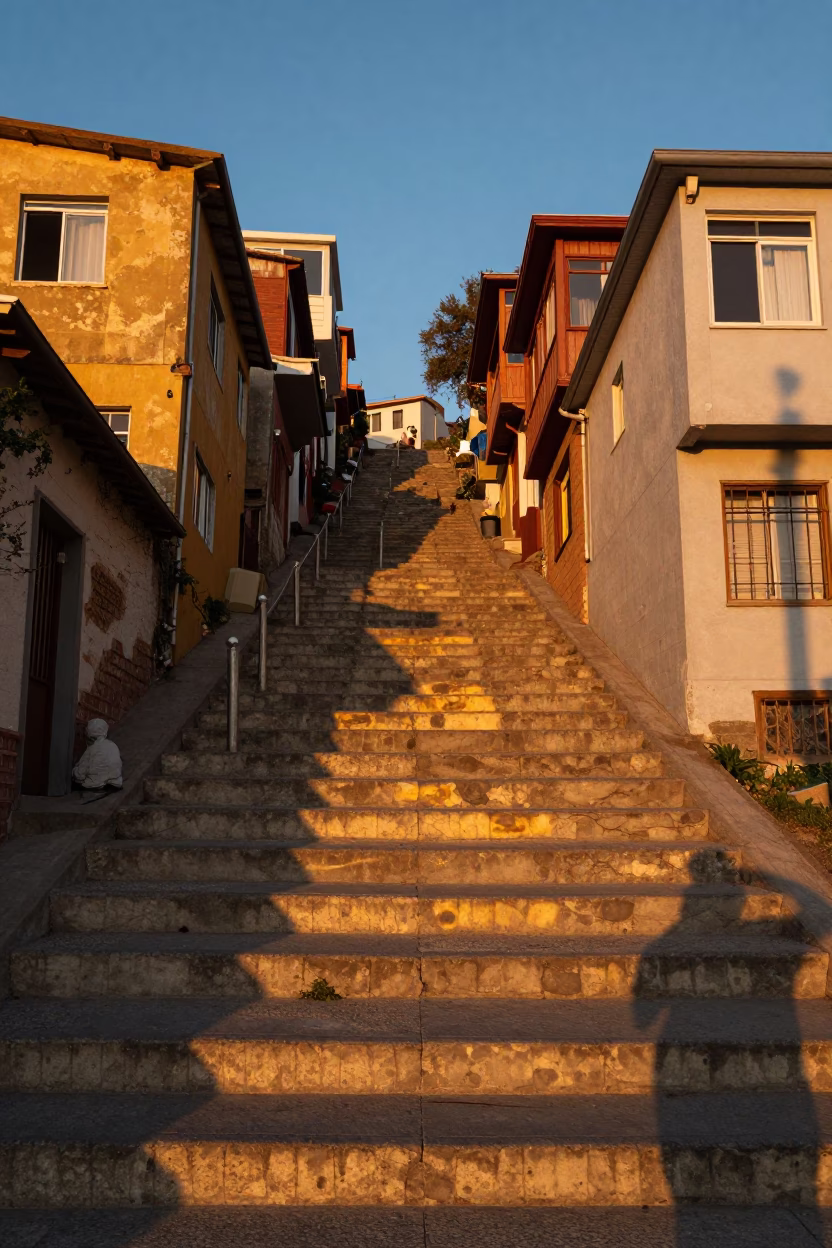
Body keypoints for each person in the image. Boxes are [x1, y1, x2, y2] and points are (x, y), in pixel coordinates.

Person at [72, 718, 123, 800]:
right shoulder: (113, 745)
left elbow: (79, 775)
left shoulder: (92, 749)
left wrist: (74, 770)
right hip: (115, 784)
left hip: (96, 785)